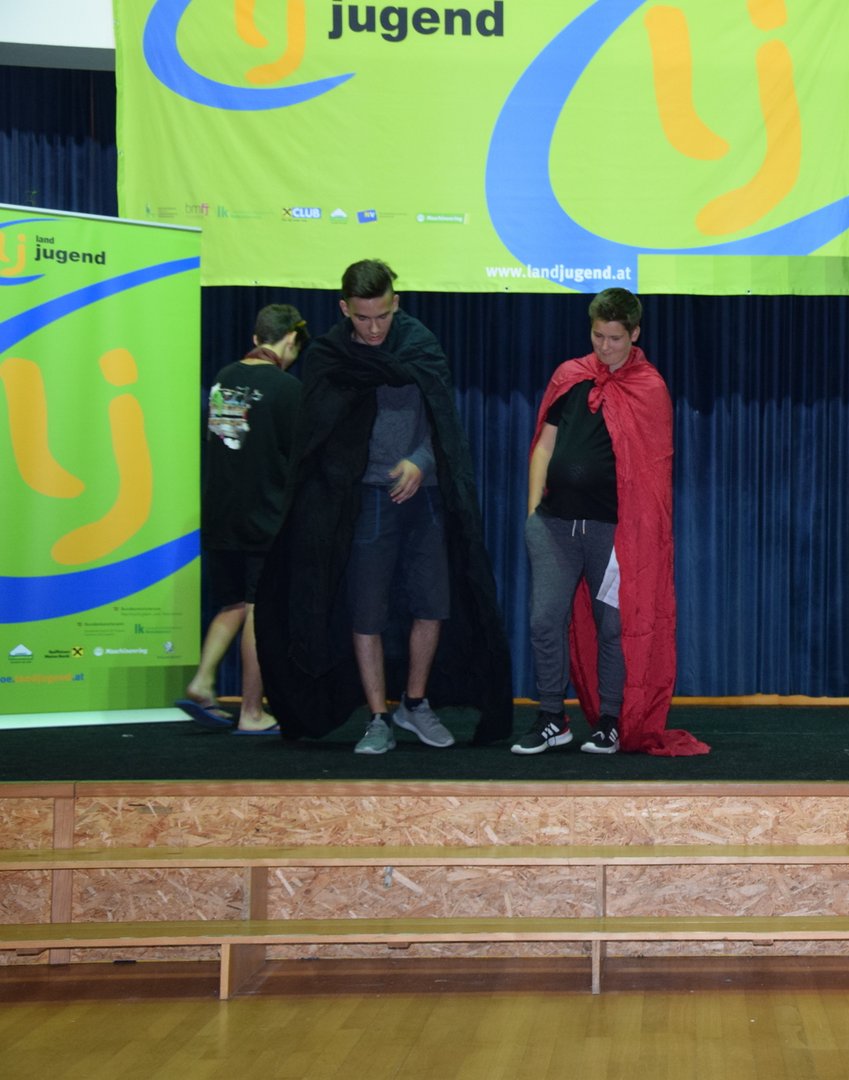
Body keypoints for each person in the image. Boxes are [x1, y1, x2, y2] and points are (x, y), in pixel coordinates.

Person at [254, 260, 512, 751]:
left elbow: (443, 422)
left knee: (433, 605)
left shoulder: (419, 345)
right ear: (344, 309)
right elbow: (321, 439)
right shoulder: (331, 356)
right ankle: (377, 717)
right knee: (366, 611)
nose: (374, 329)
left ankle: (415, 703)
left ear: (397, 303)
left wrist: (420, 462)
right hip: (368, 497)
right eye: (363, 318)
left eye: (382, 316)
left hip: (425, 494)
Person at [513, 288, 706, 757]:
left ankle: (610, 722)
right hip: (555, 526)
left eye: (615, 338)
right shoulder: (570, 376)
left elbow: (653, 472)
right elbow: (544, 444)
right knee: (544, 619)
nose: (604, 346)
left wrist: (638, 531)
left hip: (613, 532)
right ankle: (551, 717)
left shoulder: (649, 387)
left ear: (635, 334)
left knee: (613, 628)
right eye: (597, 336)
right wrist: (533, 511)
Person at [177, 304, 306, 735]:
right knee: (258, 610)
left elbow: (228, 441)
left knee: (233, 603)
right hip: (263, 518)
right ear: (291, 339)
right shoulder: (287, 389)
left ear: (255, 338)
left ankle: (202, 680)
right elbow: (299, 457)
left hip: (221, 514)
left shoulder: (223, 378)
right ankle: (252, 711)